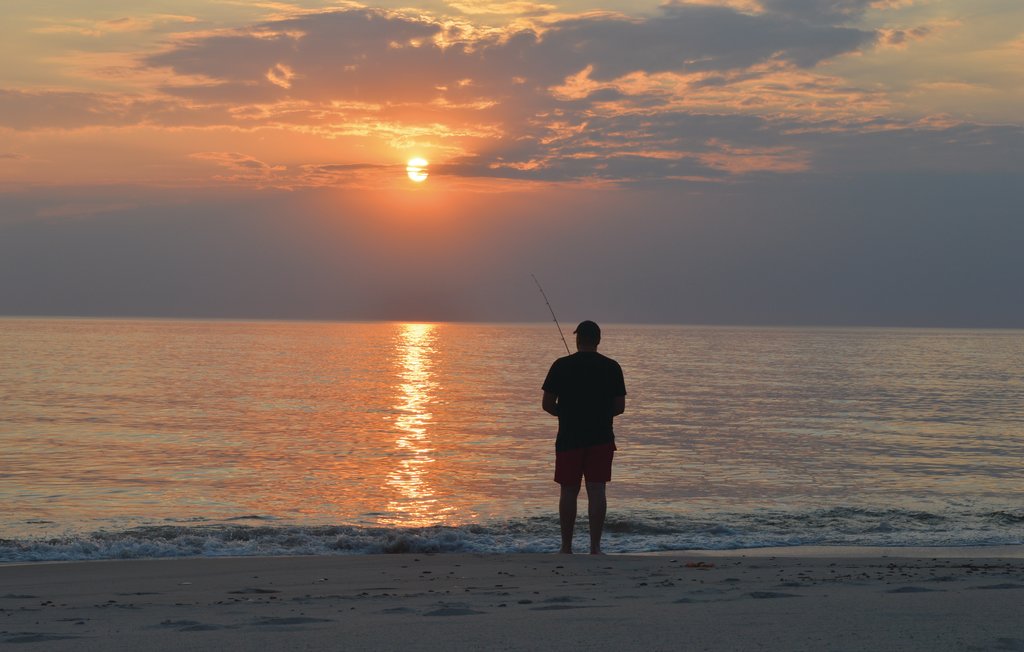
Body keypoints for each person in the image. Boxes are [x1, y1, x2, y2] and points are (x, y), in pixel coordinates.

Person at [542, 320, 626, 554]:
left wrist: (566, 414)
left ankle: (566, 547)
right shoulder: (612, 367)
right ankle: (595, 547)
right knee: (597, 490)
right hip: (601, 438)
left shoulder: (561, 365)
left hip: (569, 437)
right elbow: (619, 407)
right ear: (598, 340)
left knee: (568, 491)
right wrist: (598, 414)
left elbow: (547, 404)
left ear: (578, 340)